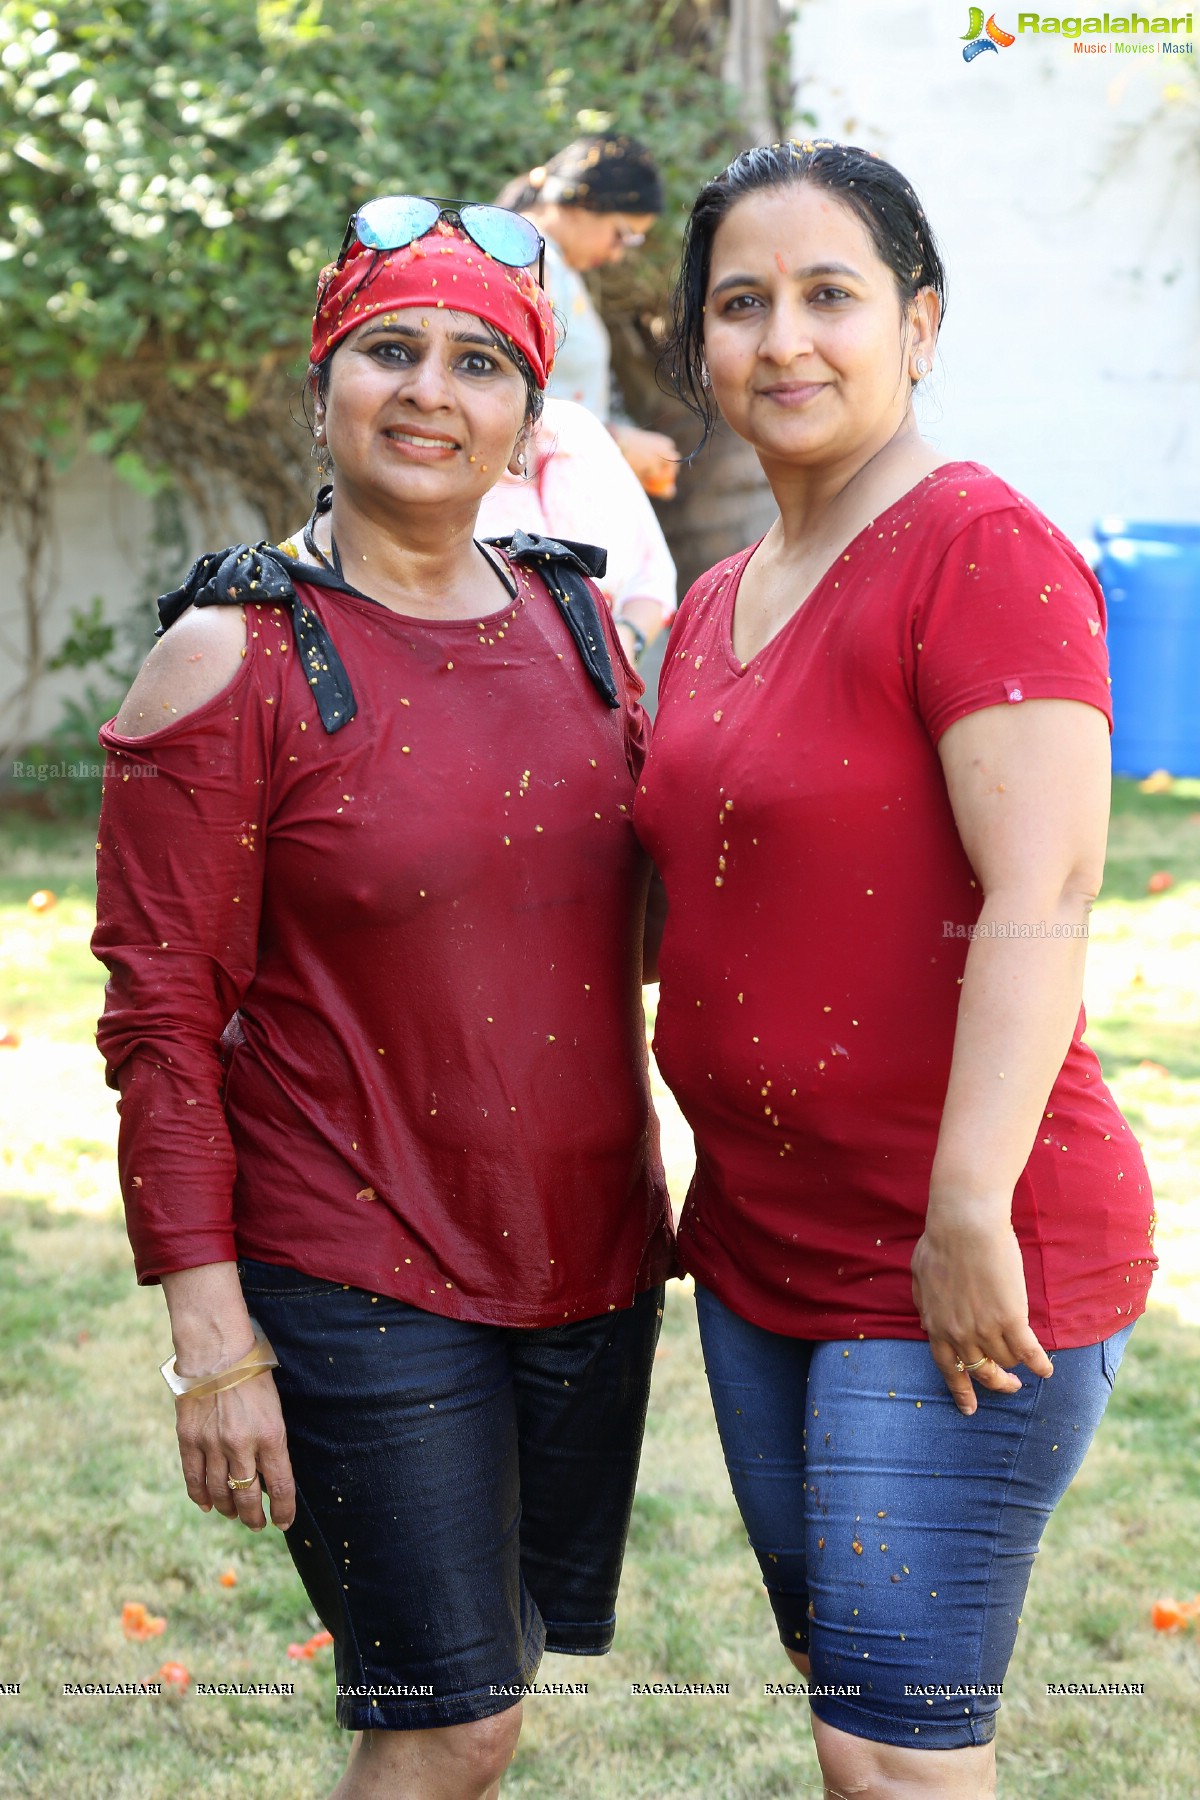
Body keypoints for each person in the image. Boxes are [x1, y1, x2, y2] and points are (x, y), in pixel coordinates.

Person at [92, 195, 674, 1800]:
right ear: (324, 384)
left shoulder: (591, 631)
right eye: (390, 351)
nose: (432, 391)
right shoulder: (231, 658)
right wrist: (211, 1339)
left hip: (587, 1259)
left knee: (487, 1680)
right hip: (351, 1264)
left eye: (480, 361)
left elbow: (639, 927)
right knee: (448, 1716)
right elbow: (157, 1025)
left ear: (528, 417)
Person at [635, 141, 1156, 1797]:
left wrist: (965, 1212)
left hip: (949, 1249)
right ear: (699, 348)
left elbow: (1048, 888)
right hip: (758, 1245)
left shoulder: (981, 550)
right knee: (846, 1684)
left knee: (894, 1754)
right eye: (741, 304)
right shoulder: (718, 597)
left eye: (830, 296)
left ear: (920, 325)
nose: (784, 339)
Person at [498, 134, 680, 497]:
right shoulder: (528, 264)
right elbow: (499, 397)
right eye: (620, 235)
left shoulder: (552, 263)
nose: (617, 254)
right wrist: (618, 443)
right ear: (581, 202)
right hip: (524, 498)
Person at [472, 396, 676, 667]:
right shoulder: (453, 465)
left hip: (607, 691)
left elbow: (653, 572)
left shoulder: (579, 429)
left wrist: (626, 644)